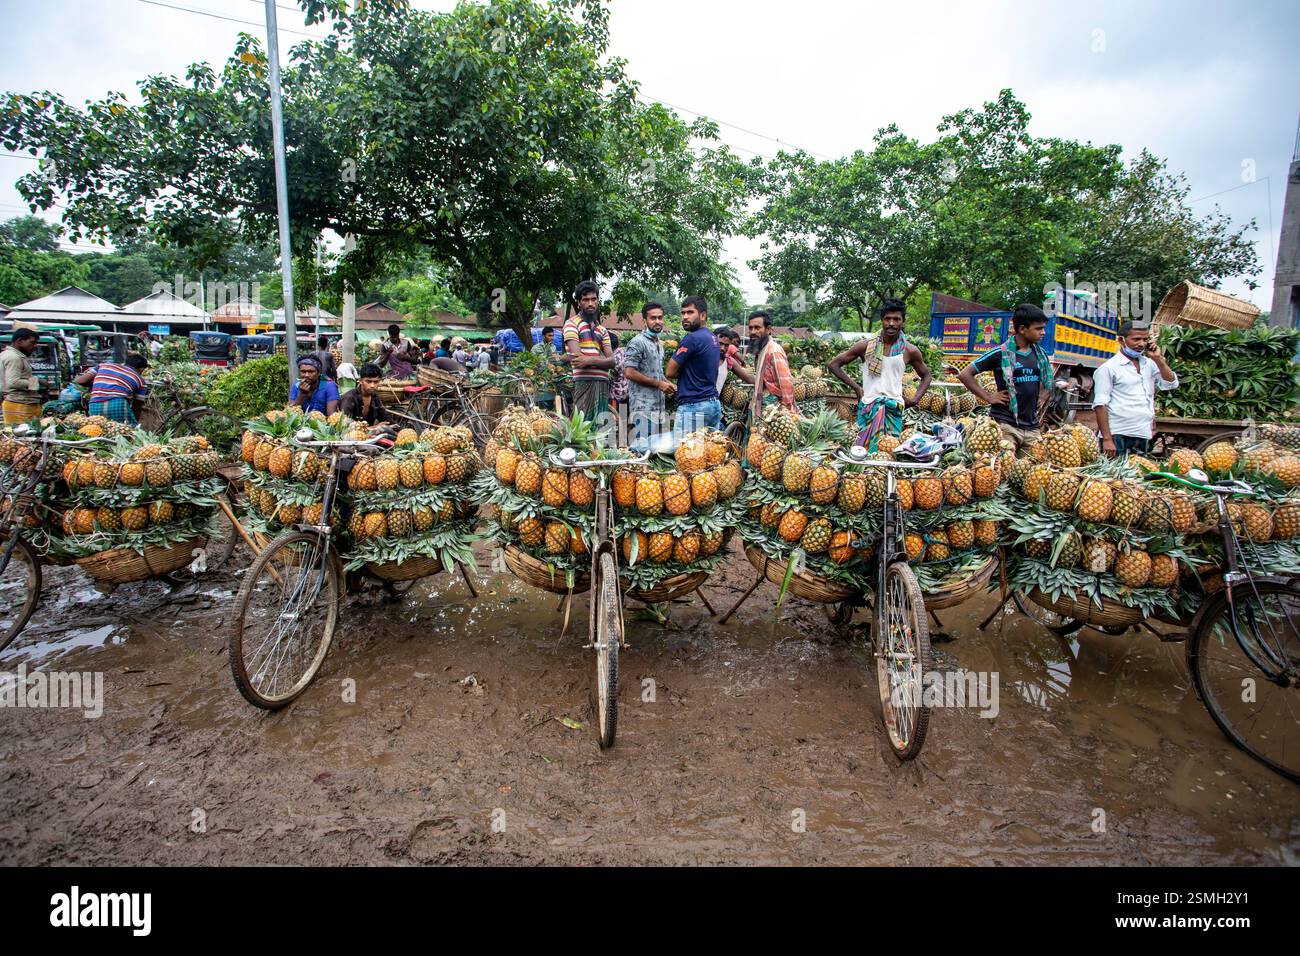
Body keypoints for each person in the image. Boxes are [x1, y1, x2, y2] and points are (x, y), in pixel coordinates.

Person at [829, 298, 931, 451]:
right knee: (863, 453)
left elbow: (926, 376)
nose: (891, 323)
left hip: (893, 409)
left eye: (896, 319)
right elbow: (834, 365)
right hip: (869, 407)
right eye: (887, 319)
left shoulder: (909, 350)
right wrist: (857, 388)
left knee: (888, 452)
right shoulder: (866, 346)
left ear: (903, 322)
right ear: (882, 321)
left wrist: (915, 399)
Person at [958, 303, 1053, 453]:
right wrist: (988, 397)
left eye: (1043, 328)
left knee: (1028, 472)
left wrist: (1041, 395)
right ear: (1022, 329)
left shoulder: (1040, 355)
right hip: (1005, 424)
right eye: (1038, 328)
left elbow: (1047, 379)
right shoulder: (999, 353)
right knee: (1005, 470)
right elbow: (964, 374)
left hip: (1032, 426)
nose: (1043, 333)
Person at [1093, 320, 1179, 457]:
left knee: (1137, 476)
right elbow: (1100, 405)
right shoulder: (1109, 368)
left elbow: (1171, 383)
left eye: (1145, 339)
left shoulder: (1149, 364)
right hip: (1117, 434)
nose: (1142, 344)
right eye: (1136, 339)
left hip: (1141, 433)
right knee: (1114, 478)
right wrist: (1107, 439)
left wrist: (1158, 359)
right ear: (1121, 340)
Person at [666, 295, 722, 436]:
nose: (685, 317)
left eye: (690, 312)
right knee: (709, 452)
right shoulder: (713, 338)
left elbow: (670, 372)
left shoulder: (692, 338)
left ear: (703, 315)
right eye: (683, 313)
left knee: (684, 453)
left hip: (694, 406)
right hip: (712, 404)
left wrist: (684, 373)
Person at [623, 302, 675, 451]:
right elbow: (629, 372)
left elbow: (657, 373)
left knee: (655, 450)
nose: (657, 321)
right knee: (643, 449)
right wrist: (658, 384)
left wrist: (668, 383)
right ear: (644, 320)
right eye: (653, 318)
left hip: (659, 407)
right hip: (643, 407)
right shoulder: (637, 342)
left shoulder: (659, 343)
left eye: (660, 317)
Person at [729, 311, 794, 425]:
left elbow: (786, 383)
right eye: (750, 328)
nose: (753, 332)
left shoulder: (773, 351)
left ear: (768, 329)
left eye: (757, 328)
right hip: (762, 406)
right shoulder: (761, 350)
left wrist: (787, 412)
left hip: (773, 411)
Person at [563, 280, 615, 420]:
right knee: (582, 427)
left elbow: (613, 361)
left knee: (601, 428)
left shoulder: (602, 330)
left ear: (598, 301)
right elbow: (578, 359)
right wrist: (602, 361)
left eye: (593, 299)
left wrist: (590, 359)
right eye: (585, 300)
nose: (590, 303)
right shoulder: (571, 324)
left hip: (603, 384)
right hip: (584, 381)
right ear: (579, 302)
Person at [81, 353, 151, 424]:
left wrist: (94, 387)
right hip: (117, 404)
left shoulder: (104, 365)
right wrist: (134, 423)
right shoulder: (141, 381)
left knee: (98, 430)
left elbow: (81, 381)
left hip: (94, 405)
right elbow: (137, 407)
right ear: (140, 369)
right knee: (127, 431)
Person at [1, 329, 45, 426]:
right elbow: (13, 382)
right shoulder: (14, 357)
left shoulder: (8, 355)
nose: (34, 346)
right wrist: (37, 381)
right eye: (32, 343)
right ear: (19, 341)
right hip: (20, 405)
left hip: (20, 403)